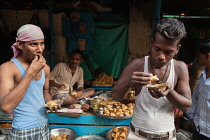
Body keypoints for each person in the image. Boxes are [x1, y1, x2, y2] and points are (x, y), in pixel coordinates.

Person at [112, 18, 192, 140]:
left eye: (168, 52)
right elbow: (116, 96)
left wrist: (168, 91)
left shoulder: (179, 68)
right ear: (151, 43)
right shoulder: (137, 65)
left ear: (177, 49)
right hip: (137, 135)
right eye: (157, 49)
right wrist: (129, 82)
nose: (161, 57)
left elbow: (186, 106)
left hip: (167, 136)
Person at [0, 24, 58, 139]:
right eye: (33, 44)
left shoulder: (45, 68)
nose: (40, 49)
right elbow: (6, 107)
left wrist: (51, 103)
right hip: (22, 129)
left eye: (42, 43)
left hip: (43, 126)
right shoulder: (8, 68)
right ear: (20, 45)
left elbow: (45, 92)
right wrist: (31, 73)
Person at [187, 39, 210, 140]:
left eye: (199, 56)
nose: (196, 59)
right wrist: (192, 116)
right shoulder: (203, 75)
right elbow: (196, 97)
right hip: (199, 129)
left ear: (208, 56)